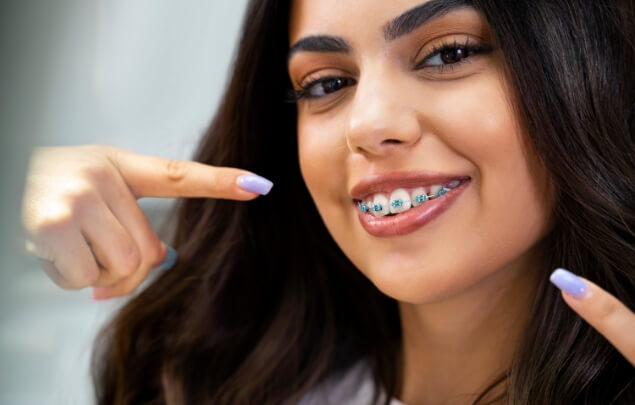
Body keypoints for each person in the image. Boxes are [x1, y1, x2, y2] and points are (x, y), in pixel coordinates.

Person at [21, 0, 634, 404]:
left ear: (588, 70)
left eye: (449, 53)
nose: (364, 125)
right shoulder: (213, 381)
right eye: (327, 85)